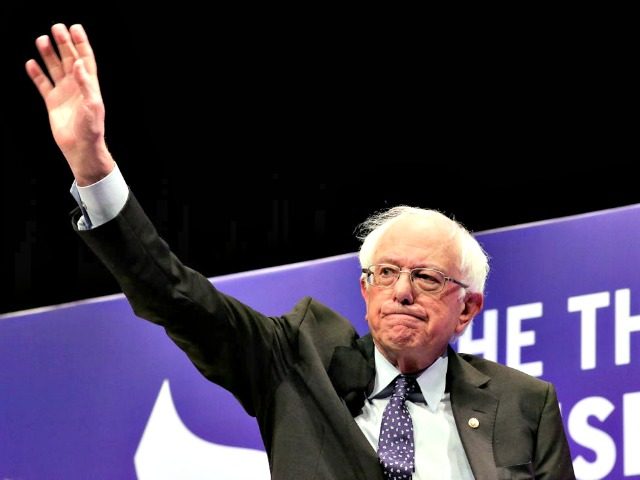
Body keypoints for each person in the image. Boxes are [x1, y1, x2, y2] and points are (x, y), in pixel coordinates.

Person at [26, 23, 576, 480]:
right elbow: (174, 294)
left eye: (428, 278)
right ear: (365, 290)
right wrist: (93, 166)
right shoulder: (296, 359)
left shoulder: (523, 404)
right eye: (385, 273)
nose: (402, 291)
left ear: (468, 308)